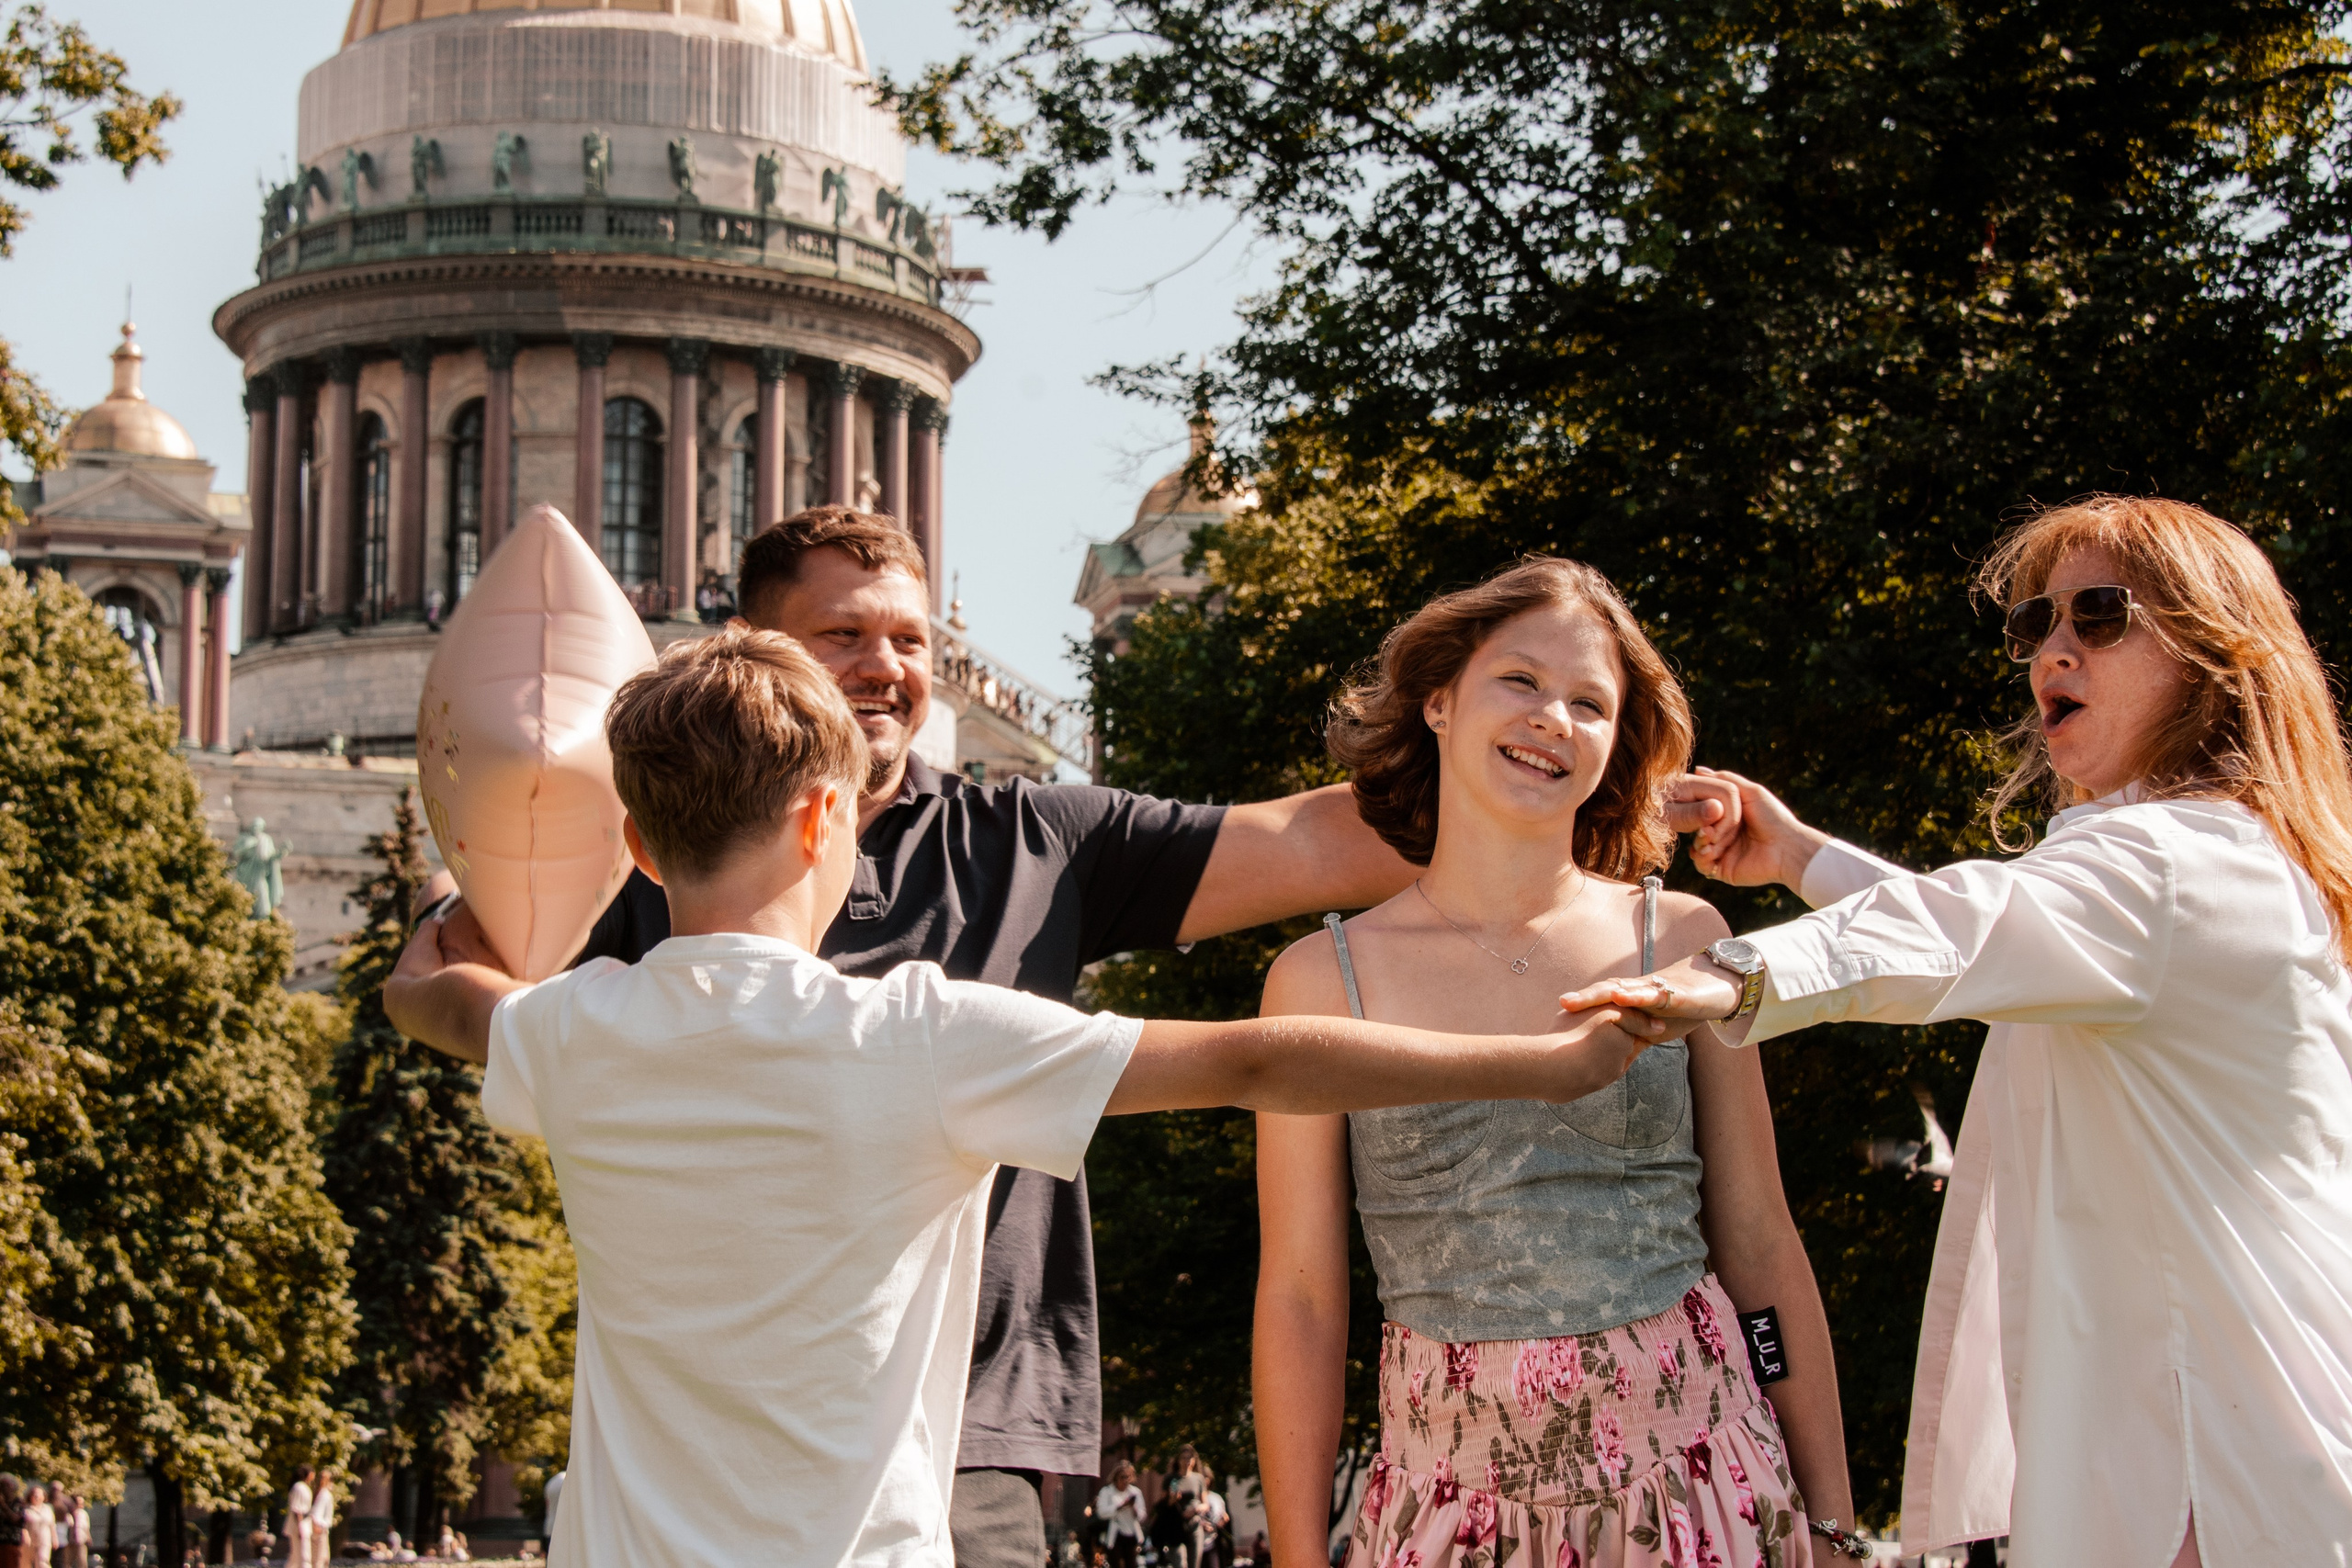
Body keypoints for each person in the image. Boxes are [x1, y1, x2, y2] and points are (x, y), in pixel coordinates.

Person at [414, 509, 1736, 1568]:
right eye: (839, 635)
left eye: (910, 637)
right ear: (749, 647)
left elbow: (445, 996)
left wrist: (1549, 757)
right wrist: (1559, 1052)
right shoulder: (913, 1028)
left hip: (953, 1429)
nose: (885, 666)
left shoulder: (1010, 843)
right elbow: (1258, 1059)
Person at [1566, 497, 2352, 1566]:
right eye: (2036, 625)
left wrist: (1731, 973)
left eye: (2099, 616)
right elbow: (2006, 935)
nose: (2050, 653)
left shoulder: (2172, 863)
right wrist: (1798, 857)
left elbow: (1974, 923)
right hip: (2225, 1439)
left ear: (2214, 654)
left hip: (2209, 1464)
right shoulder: (2195, 868)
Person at [1255, 558, 1859, 1568]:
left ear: (1616, 746)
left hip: (1706, 1488)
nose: (1552, 718)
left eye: (1590, 703)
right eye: (1521, 681)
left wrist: (1831, 1520)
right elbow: (1304, 1300)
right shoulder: (1320, 979)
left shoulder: (1686, 939)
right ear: (1440, 701)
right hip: (1444, 1513)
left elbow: (1757, 1246)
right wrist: (1295, 1556)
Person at [1092, 1465, 1145, 1568]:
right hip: (1114, 1534)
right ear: (1116, 1477)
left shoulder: (1135, 1492)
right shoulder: (1107, 1491)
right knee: (1115, 1563)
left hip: (1131, 1533)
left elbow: (1142, 1516)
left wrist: (1133, 1507)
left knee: (1131, 1563)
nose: (1125, 1480)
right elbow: (1101, 1513)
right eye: (1122, 1477)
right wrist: (1120, 1506)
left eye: (1127, 1477)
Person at [284, 1467, 314, 1568]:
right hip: (300, 1526)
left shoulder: (303, 1487)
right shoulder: (299, 1487)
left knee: (295, 1558)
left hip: (304, 1524)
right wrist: (300, 1527)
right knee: (302, 1557)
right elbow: (297, 1510)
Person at [309, 1468, 336, 1565]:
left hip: (321, 1528)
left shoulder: (323, 1494)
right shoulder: (322, 1494)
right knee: (319, 1560)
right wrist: (316, 1524)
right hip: (319, 1529)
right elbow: (316, 1512)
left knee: (322, 1559)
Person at [23, 1485, 51, 1568]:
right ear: (30, 1496)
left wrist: (55, 1538)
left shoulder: (48, 1509)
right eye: (34, 1494)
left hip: (45, 1540)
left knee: (43, 1563)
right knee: (27, 1563)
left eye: (38, 1494)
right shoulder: (26, 1509)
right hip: (30, 1541)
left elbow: (52, 1525)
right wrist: (25, 1536)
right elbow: (23, 1525)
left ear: (43, 1496)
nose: (36, 1496)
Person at [55, 1497, 84, 1568]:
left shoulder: (83, 1514)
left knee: (81, 1560)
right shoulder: (68, 1516)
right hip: (67, 1541)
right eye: (78, 1503)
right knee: (66, 1560)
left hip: (80, 1540)